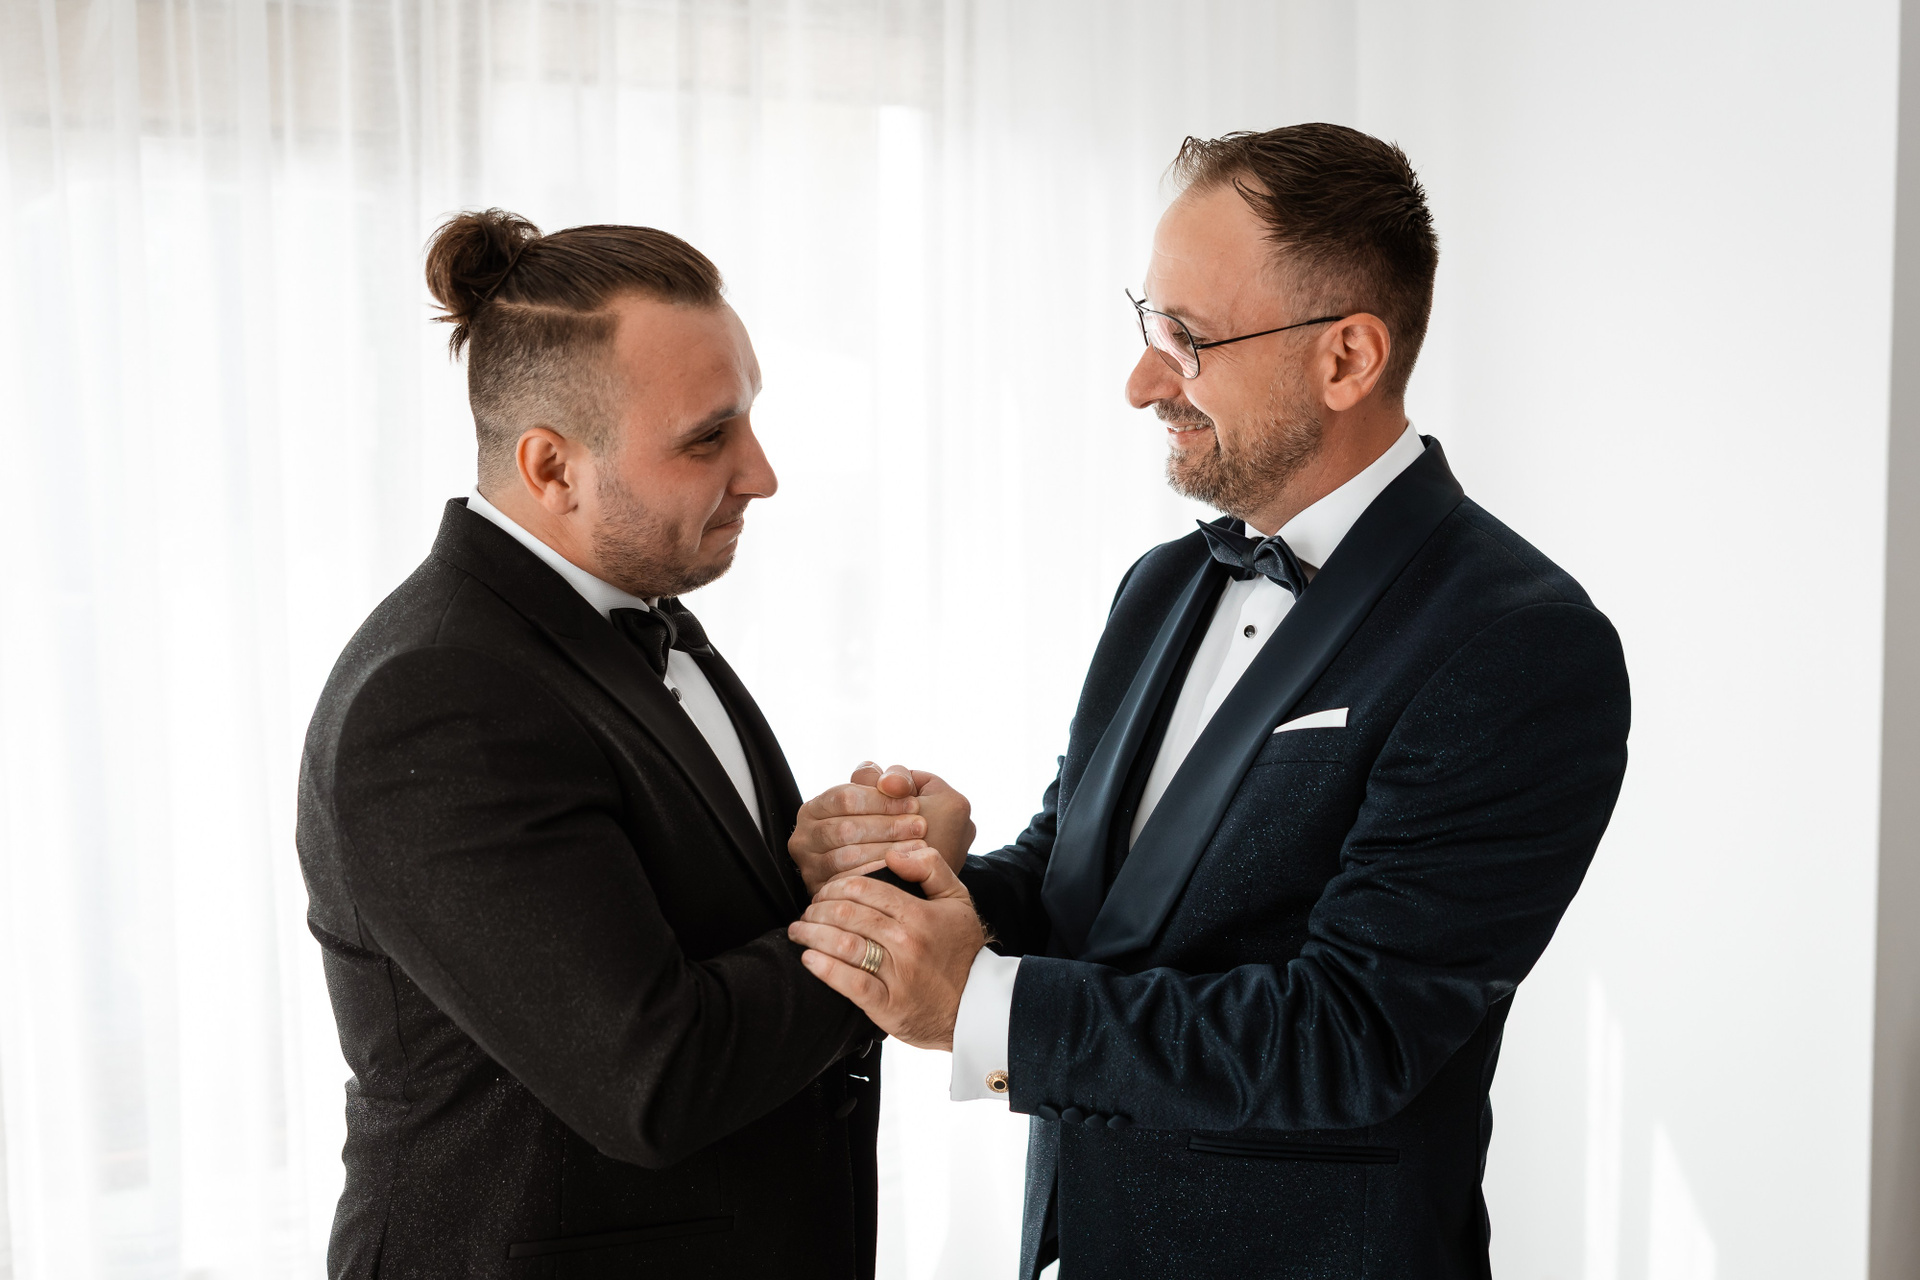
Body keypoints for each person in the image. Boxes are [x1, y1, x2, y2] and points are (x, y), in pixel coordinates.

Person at [784, 123, 1632, 1278]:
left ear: (1347, 358)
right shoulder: (1162, 584)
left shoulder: (1518, 641)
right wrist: (931, 880)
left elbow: (1351, 1034)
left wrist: (981, 1004)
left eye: (1185, 339)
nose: (1142, 382)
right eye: (1149, 326)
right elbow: (1085, 895)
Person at [296, 210, 914, 1278]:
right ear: (553, 467)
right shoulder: (439, 694)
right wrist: (894, 898)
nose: (761, 473)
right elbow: (656, 1075)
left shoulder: (632, 612)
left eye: (750, 419)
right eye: (707, 438)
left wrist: (831, 858)